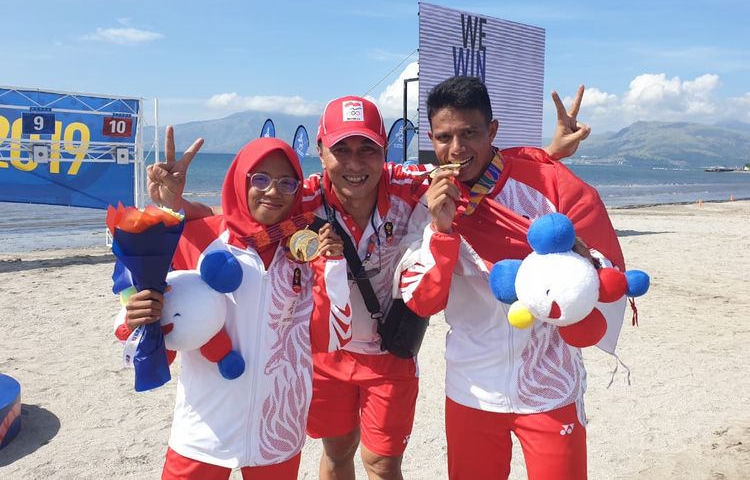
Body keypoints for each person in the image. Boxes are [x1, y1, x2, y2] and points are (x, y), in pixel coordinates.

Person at [148, 90, 587, 480]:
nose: (355, 164)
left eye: (368, 150)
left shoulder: (408, 185)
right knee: (337, 455)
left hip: (389, 355)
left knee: (382, 463)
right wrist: (175, 204)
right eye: (342, 149)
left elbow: (473, 173)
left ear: (384, 151)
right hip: (324, 356)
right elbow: (242, 223)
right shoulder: (301, 198)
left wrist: (550, 154)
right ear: (321, 150)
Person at [396, 75, 625, 480]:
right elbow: (424, 301)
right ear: (430, 137)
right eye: (445, 136)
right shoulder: (427, 200)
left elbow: (604, 269)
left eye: (470, 133)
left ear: (493, 131)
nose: (457, 148)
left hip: (550, 384)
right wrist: (442, 231)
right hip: (472, 388)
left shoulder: (548, 182)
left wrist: (580, 259)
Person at [114, 137, 351, 480]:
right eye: (260, 178)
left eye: (287, 182)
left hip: (277, 428)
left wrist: (332, 265)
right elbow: (140, 303)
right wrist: (131, 315)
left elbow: (330, 336)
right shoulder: (199, 238)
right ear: (239, 179)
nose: (273, 191)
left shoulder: (305, 249)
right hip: (203, 428)